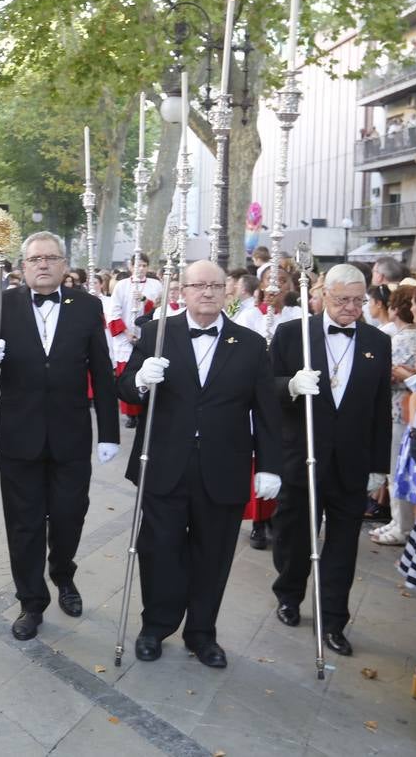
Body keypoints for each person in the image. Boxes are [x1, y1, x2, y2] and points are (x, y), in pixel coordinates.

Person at [116, 261, 282, 666]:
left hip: (223, 465)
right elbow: (124, 389)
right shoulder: (157, 334)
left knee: (214, 554)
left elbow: (266, 410)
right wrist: (140, 379)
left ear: (226, 290)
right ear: (183, 292)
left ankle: (202, 633)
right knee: (159, 550)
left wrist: (270, 465)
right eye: (198, 285)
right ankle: (155, 626)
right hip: (165, 463)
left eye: (214, 285)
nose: (206, 292)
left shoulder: (249, 343)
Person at [0, 231, 119, 641]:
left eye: (51, 258)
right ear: (23, 266)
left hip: (71, 433)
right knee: (24, 523)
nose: (42, 264)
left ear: (64, 265)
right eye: (35, 258)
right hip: (19, 434)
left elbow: (102, 372)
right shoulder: (2, 305)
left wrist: (108, 432)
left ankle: (63, 572)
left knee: (70, 515)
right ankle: (30, 602)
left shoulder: (88, 307)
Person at [270, 263, 392, 656]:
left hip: (352, 462)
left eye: (359, 301)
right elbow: (265, 388)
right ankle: (288, 594)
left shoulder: (378, 341)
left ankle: (334, 619)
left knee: (343, 545)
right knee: (294, 533)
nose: (352, 308)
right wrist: (289, 385)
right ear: (322, 296)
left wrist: (379, 466)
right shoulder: (293, 334)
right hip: (302, 455)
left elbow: (379, 408)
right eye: (344, 300)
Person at [370, 286, 416, 547]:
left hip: (400, 408)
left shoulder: (404, 338)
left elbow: (388, 374)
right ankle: (398, 521)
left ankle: (401, 524)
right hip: (406, 408)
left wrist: (401, 373)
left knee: (397, 469)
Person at [108, 253, 162, 428]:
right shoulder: (122, 286)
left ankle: (145, 410)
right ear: (130, 266)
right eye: (137, 265)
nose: (141, 268)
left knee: (147, 371)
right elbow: (114, 312)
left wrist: (145, 301)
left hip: (147, 335)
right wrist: (126, 333)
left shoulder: (156, 285)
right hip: (126, 338)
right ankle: (131, 414)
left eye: (144, 265)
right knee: (128, 375)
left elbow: (159, 308)